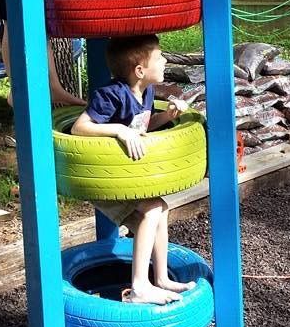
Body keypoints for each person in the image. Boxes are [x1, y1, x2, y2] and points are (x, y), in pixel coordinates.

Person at [71, 34, 196, 306]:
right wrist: (119, 131)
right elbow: (79, 128)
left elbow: (140, 129)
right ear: (140, 70)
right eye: (159, 56)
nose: (165, 59)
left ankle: (160, 278)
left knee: (160, 208)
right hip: (106, 179)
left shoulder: (147, 92)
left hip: (128, 179)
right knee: (153, 208)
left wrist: (166, 117)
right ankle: (139, 286)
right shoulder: (110, 94)